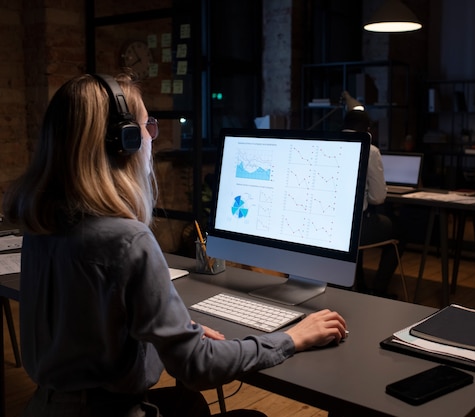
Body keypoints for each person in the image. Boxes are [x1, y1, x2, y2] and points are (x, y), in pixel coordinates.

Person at [2, 73, 347, 417]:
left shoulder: (41, 224)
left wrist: (182, 336)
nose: (152, 138)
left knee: (188, 405)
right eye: (146, 127)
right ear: (126, 141)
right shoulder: (128, 241)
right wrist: (292, 338)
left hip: (47, 407)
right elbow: (196, 369)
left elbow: (95, 335)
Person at [342, 109, 402, 298]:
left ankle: (359, 284)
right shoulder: (370, 149)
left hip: (334, 225)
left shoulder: (330, 142)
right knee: (400, 232)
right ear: (365, 128)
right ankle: (378, 290)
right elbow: (378, 198)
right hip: (356, 227)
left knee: (362, 226)